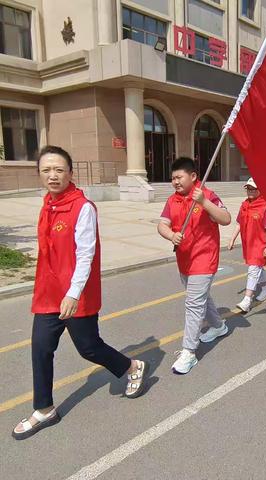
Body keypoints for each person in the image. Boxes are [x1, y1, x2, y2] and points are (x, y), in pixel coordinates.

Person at [12, 146, 149, 441]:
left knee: (88, 348)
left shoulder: (82, 207)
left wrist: (73, 294)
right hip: (48, 293)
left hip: (75, 293)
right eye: (46, 170)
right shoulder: (47, 204)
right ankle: (44, 408)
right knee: (40, 347)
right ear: (40, 174)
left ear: (70, 174)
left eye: (59, 170)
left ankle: (131, 365)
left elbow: (86, 254)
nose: (53, 175)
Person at [157, 157, 231, 374]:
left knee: (193, 303)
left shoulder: (206, 195)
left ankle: (189, 352)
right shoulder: (172, 200)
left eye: (179, 177)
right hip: (184, 259)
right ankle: (219, 326)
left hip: (204, 258)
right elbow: (162, 224)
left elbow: (226, 218)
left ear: (193, 177)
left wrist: (204, 203)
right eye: (173, 178)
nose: (175, 182)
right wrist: (171, 235)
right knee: (199, 297)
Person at [228, 178, 266, 313]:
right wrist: (232, 239)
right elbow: (239, 223)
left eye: (253, 189)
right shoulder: (244, 205)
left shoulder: (265, 206)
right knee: (256, 267)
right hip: (248, 243)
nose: (250, 191)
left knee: (253, 269)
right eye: (248, 188)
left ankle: (247, 299)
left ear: (260, 190)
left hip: (259, 244)